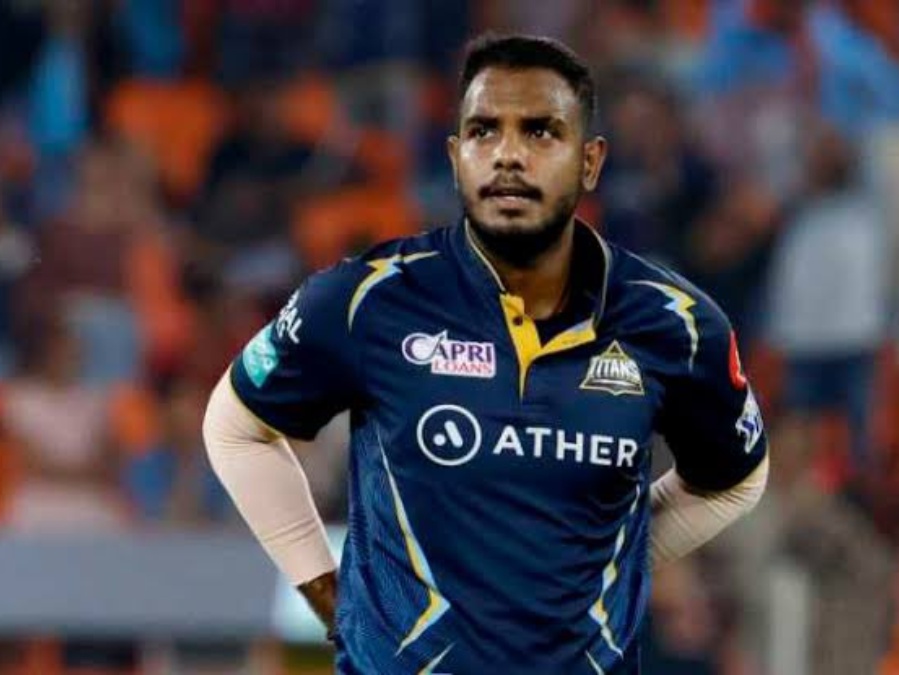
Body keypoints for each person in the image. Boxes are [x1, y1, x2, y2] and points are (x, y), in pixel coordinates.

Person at [203, 34, 769, 674]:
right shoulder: (365, 300)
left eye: (540, 132)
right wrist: (331, 598)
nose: (507, 154)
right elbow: (235, 427)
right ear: (455, 157)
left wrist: (607, 563)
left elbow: (735, 479)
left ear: (590, 161)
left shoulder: (677, 324)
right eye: (483, 131)